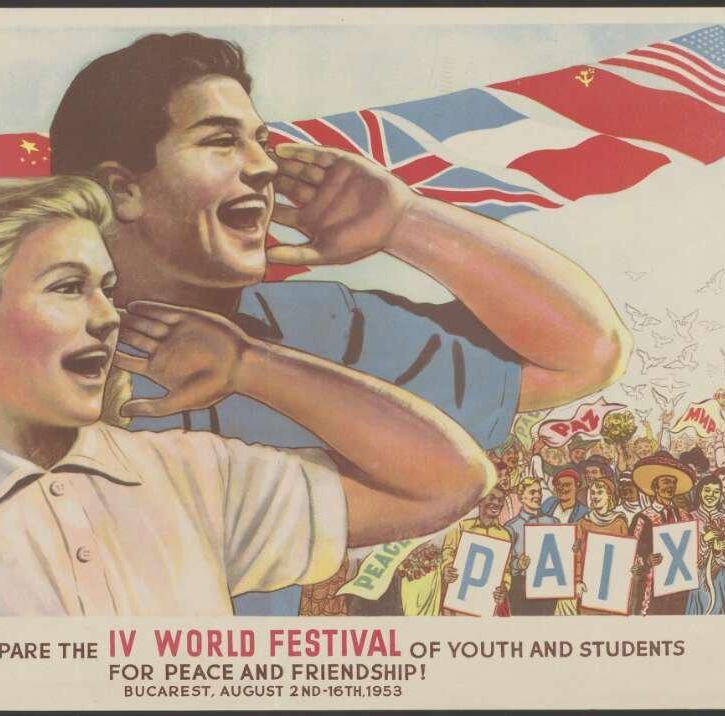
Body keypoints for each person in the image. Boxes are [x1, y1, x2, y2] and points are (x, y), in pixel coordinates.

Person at [49, 32, 631, 616]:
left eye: (261, 142)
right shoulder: (31, 348)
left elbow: (582, 357)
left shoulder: (314, 325)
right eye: (221, 142)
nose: (264, 166)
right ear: (122, 189)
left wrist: (405, 223)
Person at [0, 177, 498, 617]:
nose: (107, 316)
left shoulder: (194, 477)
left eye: (107, 288)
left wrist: (253, 366)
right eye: (67, 288)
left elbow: (447, 481)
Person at [628, 452, 695, 616]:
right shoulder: (642, 518)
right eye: (665, 482)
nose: (670, 486)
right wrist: (646, 560)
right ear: (655, 487)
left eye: (673, 482)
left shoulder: (685, 516)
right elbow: (629, 551)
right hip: (651, 587)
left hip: (680, 586)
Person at [440, 486, 512, 616]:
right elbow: (448, 551)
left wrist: (504, 588)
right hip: (458, 602)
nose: (496, 503)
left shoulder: (505, 535)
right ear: (480, 501)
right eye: (492, 498)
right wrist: (446, 568)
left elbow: (506, 570)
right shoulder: (461, 526)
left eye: (500, 500)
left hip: (487, 605)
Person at [685, 477, 725, 615]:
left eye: (716, 492)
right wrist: (705, 539)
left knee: (717, 606)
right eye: (707, 490)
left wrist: (719, 551)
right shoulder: (689, 517)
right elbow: (685, 551)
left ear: (720, 495)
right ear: (699, 492)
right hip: (696, 574)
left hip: (719, 575)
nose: (711, 495)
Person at [574, 477, 630, 615]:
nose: (595, 496)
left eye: (600, 492)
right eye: (593, 493)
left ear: (609, 495)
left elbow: (625, 556)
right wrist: (578, 580)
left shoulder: (619, 523)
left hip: (613, 588)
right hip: (589, 586)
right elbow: (577, 555)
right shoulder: (583, 523)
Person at [504, 478, 560, 615]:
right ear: (521, 497)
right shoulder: (511, 527)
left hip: (548, 586)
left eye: (540, 492)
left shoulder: (554, 522)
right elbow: (504, 563)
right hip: (521, 588)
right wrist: (518, 564)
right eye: (532, 492)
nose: (538, 495)